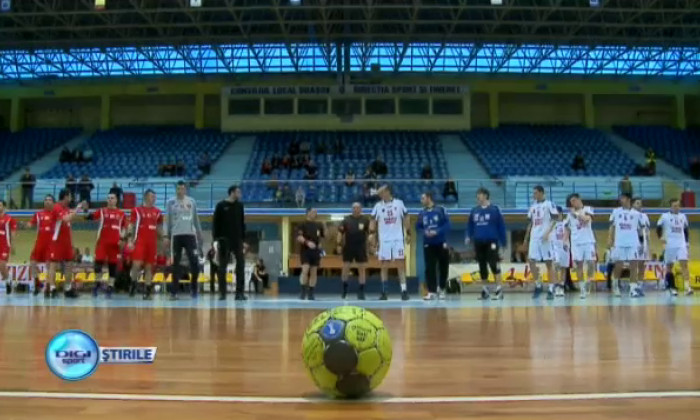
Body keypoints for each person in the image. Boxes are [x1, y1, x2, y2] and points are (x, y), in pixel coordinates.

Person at [370, 185, 410, 301]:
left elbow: (406, 217)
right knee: (384, 266)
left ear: (388, 192)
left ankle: (404, 291)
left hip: (398, 239)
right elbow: (373, 220)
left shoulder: (399, 203)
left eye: (382, 192)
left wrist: (408, 233)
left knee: (400, 265)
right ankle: (384, 292)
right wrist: (371, 234)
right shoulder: (378, 206)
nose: (380, 194)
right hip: (384, 240)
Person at [466, 187, 506, 300]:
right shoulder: (474, 210)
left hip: (491, 242)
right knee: (482, 266)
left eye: (479, 194)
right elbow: (470, 226)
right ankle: (485, 290)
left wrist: (503, 242)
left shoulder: (495, 209)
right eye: (477, 195)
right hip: (478, 242)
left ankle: (499, 290)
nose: (477, 197)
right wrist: (468, 236)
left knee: (493, 264)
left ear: (485, 196)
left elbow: (501, 227)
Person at [166, 181, 204, 300]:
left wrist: (199, 233)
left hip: (190, 236)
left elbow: (196, 219)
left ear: (185, 190)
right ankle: (174, 292)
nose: (180, 191)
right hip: (176, 236)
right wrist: (166, 236)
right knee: (175, 264)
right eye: (178, 189)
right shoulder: (170, 202)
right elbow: (168, 220)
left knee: (194, 262)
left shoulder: (192, 202)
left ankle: (193, 288)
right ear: (176, 190)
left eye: (182, 189)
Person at [85, 193, 125, 298]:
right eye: (108, 198)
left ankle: (110, 287)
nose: (110, 200)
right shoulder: (102, 211)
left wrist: (123, 239)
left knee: (112, 266)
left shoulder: (121, 214)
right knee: (98, 264)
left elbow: (125, 228)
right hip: (102, 242)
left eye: (112, 198)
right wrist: (85, 210)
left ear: (116, 200)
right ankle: (97, 283)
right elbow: (90, 217)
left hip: (115, 244)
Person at [47, 189, 86, 298]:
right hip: (57, 241)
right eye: (70, 196)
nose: (71, 198)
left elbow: (68, 226)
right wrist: (78, 209)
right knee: (53, 265)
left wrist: (72, 243)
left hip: (67, 243)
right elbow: (66, 219)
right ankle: (52, 288)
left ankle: (68, 289)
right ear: (65, 197)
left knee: (69, 264)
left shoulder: (67, 209)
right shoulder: (57, 207)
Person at [127, 189, 164, 300]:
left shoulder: (157, 212)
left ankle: (147, 291)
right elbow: (131, 226)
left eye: (155, 196)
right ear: (146, 197)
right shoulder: (137, 210)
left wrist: (165, 238)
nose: (154, 198)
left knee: (149, 267)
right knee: (136, 265)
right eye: (152, 196)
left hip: (152, 243)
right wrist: (129, 240)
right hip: (140, 241)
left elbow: (159, 228)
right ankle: (133, 283)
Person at [212, 185, 247, 301]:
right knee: (222, 267)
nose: (240, 194)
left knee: (241, 265)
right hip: (224, 239)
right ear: (232, 192)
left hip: (237, 240)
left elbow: (242, 223)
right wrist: (215, 239)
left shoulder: (240, 206)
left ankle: (239, 293)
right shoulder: (221, 205)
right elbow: (215, 223)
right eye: (238, 192)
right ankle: (222, 293)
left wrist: (243, 239)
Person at [608, 193, 645, 298]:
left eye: (623, 198)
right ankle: (615, 285)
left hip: (633, 243)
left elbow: (641, 230)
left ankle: (633, 289)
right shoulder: (616, 212)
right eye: (620, 198)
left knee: (634, 265)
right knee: (618, 265)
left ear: (628, 199)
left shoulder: (637, 214)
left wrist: (642, 244)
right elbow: (612, 227)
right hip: (619, 242)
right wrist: (610, 239)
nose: (621, 200)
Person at [524, 185, 558, 299]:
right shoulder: (532, 206)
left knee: (549, 263)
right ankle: (538, 285)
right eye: (533, 193)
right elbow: (530, 223)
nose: (533, 195)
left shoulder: (549, 204)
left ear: (541, 193)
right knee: (531, 261)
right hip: (534, 237)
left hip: (545, 237)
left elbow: (556, 219)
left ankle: (551, 288)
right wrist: (526, 238)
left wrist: (548, 232)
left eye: (535, 193)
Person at [416, 192, 450, 301]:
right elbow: (418, 226)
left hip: (441, 242)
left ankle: (442, 289)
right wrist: (424, 232)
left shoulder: (441, 210)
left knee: (443, 266)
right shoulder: (422, 213)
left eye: (423, 198)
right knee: (430, 268)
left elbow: (448, 225)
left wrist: (437, 231)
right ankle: (432, 291)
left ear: (429, 198)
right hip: (428, 243)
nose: (421, 200)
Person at [657, 198, 694, 296]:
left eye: (678, 205)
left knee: (684, 265)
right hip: (670, 244)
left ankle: (687, 287)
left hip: (681, 244)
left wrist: (686, 242)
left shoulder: (683, 216)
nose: (676, 207)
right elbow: (658, 227)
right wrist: (661, 237)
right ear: (671, 206)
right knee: (669, 266)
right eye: (674, 206)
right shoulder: (665, 216)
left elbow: (686, 230)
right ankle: (672, 287)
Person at [565, 193, 596, 300]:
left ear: (579, 199)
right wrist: (565, 241)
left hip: (588, 241)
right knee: (579, 265)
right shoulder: (569, 215)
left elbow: (586, 219)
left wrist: (576, 214)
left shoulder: (588, 209)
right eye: (571, 202)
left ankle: (588, 280)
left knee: (591, 263)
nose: (572, 203)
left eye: (574, 200)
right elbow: (567, 229)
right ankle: (582, 289)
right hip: (576, 243)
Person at [337, 202, 370, 300]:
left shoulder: (365, 220)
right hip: (348, 247)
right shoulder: (346, 219)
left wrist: (371, 246)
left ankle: (361, 291)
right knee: (346, 268)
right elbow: (340, 232)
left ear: (361, 209)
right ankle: (344, 290)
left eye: (358, 207)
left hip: (361, 247)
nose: (356, 209)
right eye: (354, 208)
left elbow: (370, 234)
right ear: (352, 209)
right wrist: (338, 244)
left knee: (362, 269)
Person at [25, 194, 56, 295]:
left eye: (49, 200)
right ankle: (37, 283)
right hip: (39, 243)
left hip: (51, 244)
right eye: (46, 200)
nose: (47, 201)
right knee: (32, 263)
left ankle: (47, 286)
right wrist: (27, 225)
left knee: (49, 266)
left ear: (53, 202)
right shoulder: (38, 214)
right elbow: (31, 223)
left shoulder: (56, 214)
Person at [297, 207, 324, 300]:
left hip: (315, 251)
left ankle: (311, 292)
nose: (315, 214)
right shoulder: (302, 224)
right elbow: (299, 237)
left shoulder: (319, 225)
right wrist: (307, 243)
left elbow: (322, 237)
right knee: (305, 269)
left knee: (314, 271)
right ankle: (303, 290)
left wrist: (320, 244)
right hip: (305, 250)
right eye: (313, 212)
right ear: (308, 213)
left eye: (316, 212)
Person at [550, 207, 568, 299]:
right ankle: (556, 286)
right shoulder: (552, 223)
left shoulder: (566, 222)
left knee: (563, 268)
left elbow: (568, 232)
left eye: (557, 213)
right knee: (556, 266)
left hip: (564, 247)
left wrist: (565, 241)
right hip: (555, 247)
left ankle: (561, 286)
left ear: (561, 213)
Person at [632, 197, 650, 292]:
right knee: (634, 265)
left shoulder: (644, 216)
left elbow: (647, 230)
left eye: (640, 203)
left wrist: (647, 241)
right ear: (633, 205)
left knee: (642, 264)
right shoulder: (630, 215)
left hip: (643, 242)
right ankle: (633, 285)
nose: (640, 205)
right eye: (637, 203)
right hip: (633, 242)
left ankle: (640, 284)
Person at [0, 200, 17, 295]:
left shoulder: (9, 219)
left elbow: (13, 232)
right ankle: (9, 281)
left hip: (5, 245)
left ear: (4, 207)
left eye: (0, 205)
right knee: (1, 266)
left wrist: (13, 245)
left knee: (2, 263)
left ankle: (8, 281)